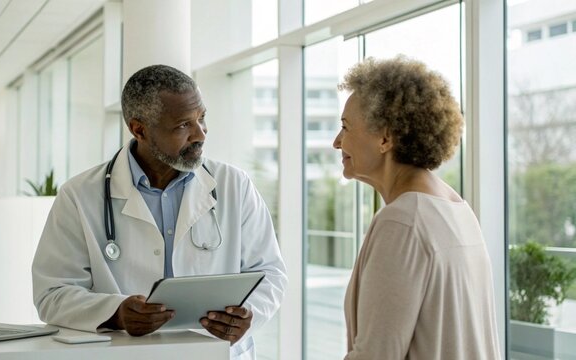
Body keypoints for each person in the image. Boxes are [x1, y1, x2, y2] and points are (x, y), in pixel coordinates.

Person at [32, 64, 287, 359]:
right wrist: (116, 313)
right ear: (139, 129)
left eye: (202, 118)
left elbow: (270, 272)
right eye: (183, 125)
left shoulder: (234, 185)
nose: (200, 135)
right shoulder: (79, 195)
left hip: (213, 352)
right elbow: (52, 294)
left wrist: (247, 314)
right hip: (126, 353)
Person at [333, 56, 501, 359]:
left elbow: (376, 354)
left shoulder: (402, 222)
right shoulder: (458, 209)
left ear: (385, 137)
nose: (336, 142)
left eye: (345, 127)